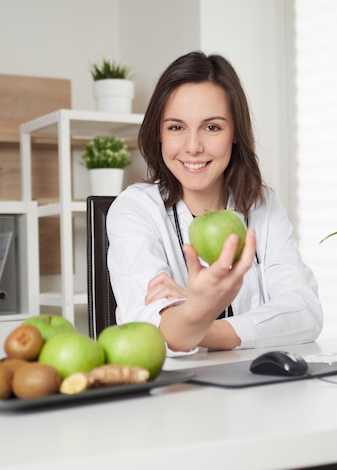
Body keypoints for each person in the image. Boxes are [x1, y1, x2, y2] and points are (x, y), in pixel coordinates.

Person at [106, 50, 323, 353]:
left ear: (235, 132)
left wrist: (195, 315)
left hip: (258, 389)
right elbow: (150, 331)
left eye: (212, 127)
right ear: (159, 133)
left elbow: (305, 313)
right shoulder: (134, 210)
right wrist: (201, 317)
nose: (193, 147)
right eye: (176, 127)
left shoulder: (263, 205)